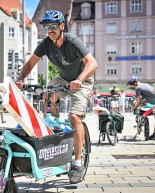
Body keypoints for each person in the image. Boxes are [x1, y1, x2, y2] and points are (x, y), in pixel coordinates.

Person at [15, 10, 98, 184]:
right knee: (46, 96)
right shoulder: (46, 44)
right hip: (62, 79)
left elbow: (93, 62)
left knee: (75, 117)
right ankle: (54, 124)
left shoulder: (72, 41)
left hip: (82, 79)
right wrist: (20, 79)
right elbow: (30, 64)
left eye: (53, 26)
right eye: (47, 27)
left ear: (61, 26)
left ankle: (77, 162)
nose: (50, 30)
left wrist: (80, 79)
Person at [127, 76, 155, 140]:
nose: (132, 86)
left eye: (131, 84)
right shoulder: (145, 84)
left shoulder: (138, 88)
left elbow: (138, 101)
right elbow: (150, 95)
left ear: (135, 83)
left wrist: (134, 107)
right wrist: (143, 100)